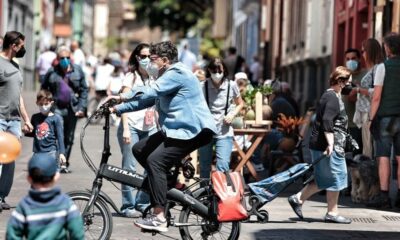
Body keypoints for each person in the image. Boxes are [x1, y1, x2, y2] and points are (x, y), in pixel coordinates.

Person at [108, 41, 217, 232]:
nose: (149, 62)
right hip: (178, 130)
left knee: (155, 161)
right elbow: (147, 100)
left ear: (165, 60)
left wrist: (123, 96)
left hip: (193, 131)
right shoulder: (166, 75)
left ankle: (159, 216)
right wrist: (116, 109)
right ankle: (166, 185)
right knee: (139, 149)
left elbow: (150, 91)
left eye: (152, 59)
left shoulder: (178, 73)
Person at [288, 66, 352, 224]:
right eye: (349, 82)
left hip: (324, 144)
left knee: (324, 177)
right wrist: (330, 143)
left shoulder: (331, 95)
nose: (351, 85)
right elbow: (327, 121)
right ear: (340, 81)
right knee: (338, 175)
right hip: (329, 145)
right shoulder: (331, 97)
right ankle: (332, 212)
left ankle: (298, 199)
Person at [117, 43, 157, 218]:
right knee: (129, 167)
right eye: (142, 56)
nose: (146, 59)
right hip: (131, 126)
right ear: (137, 57)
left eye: (149, 56)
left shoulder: (156, 77)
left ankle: (142, 202)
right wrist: (125, 128)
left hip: (150, 127)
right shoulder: (130, 77)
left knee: (152, 165)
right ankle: (127, 205)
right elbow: (123, 104)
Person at [6, 153, 84, 239]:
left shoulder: (24, 206)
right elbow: (78, 234)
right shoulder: (66, 204)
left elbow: (12, 236)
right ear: (56, 176)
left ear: (29, 178)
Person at [0, 31, 34, 212]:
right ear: (13, 45)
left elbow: (18, 96)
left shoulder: (15, 65)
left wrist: (26, 118)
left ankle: (1, 196)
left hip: (13, 121)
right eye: (21, 45)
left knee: (9, 160)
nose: (23, 49)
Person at [42, 45, 88, 173]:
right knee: (58, 136)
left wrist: (81, 107)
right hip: (56, 108)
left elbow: (84, 90)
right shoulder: (51, 72)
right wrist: (45, 105)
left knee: (69, 137)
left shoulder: (78, 71)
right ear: (57, 58)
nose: (65, 60)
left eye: (68, 57)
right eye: (62, 58)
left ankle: (64, 162)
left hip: (73, 109)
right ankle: (57, 163)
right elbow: (44, 88)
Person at [369, 33, 400, 208]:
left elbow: (376, 97)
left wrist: (371, 119)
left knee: (383, 157)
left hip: (386, 118)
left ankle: (384, 195)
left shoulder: (383, 67)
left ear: (388, 48)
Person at [199, 58, 244, 178]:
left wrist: (232, 114)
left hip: (224, 131)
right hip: (206, 131)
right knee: (204, 166)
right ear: (209, 70)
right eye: (214, 71)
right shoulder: (203, 86)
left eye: (220, 71)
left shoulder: (231, 85)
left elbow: (240, 103)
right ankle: (203, 193)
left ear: (224, 70)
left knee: (223, 165)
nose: (217, 74)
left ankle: (220, 193)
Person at [353, 38, 384, 158]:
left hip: (371, 113)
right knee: (367, 149)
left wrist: (359, 90)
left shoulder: (379, 68)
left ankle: (372, 175)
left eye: (363, 51)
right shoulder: (373, 68)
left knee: (370, 151)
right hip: (366, 112)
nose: (363, 55)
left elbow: (377, 92)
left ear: (370, 51)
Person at [25, 90, 66, 169]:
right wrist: (26, 130)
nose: (43, 106)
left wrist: (62, 153)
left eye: (46, 104)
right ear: (37, 103)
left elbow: (60, 137)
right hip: (37, 152)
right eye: (41, 104)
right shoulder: (35, 117)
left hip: (51, 152)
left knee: (50, 174)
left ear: (51, 103)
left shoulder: (55, 119)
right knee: (37, 175)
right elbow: (33, 133)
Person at [343, 48, 368, 155]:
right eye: (348, 59)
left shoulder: (366, 74)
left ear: (359, 59)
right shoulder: (342, 76)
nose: (350, 61)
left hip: (359, 124)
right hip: (344, 123)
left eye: (353, 58)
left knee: (357, 156)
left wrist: (357, 91)